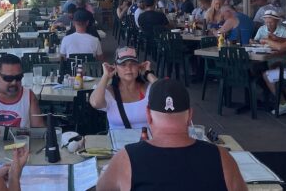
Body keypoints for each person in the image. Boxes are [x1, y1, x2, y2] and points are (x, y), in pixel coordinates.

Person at [97, 79, 246, 191]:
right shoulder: (222, 157)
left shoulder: (126, 158)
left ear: (148, 115)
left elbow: (102, 188)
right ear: (189, 117)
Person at [89, 47, 157, 130]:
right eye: (123, 64)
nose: (128, 68)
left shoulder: (150, 89)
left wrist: (148, 73)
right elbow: (95, 103)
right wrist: (106, 76)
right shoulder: (109, 91)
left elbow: (167, 95)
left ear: (138, 67)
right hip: (118, 141)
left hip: (146, 140)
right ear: (115, 68)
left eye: (133, 64)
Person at [0, 54, 45, 128]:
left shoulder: (29, 96)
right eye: (8, 78)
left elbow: (39, 131)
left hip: (20, 139)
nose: (14, 82)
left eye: (18, 77)